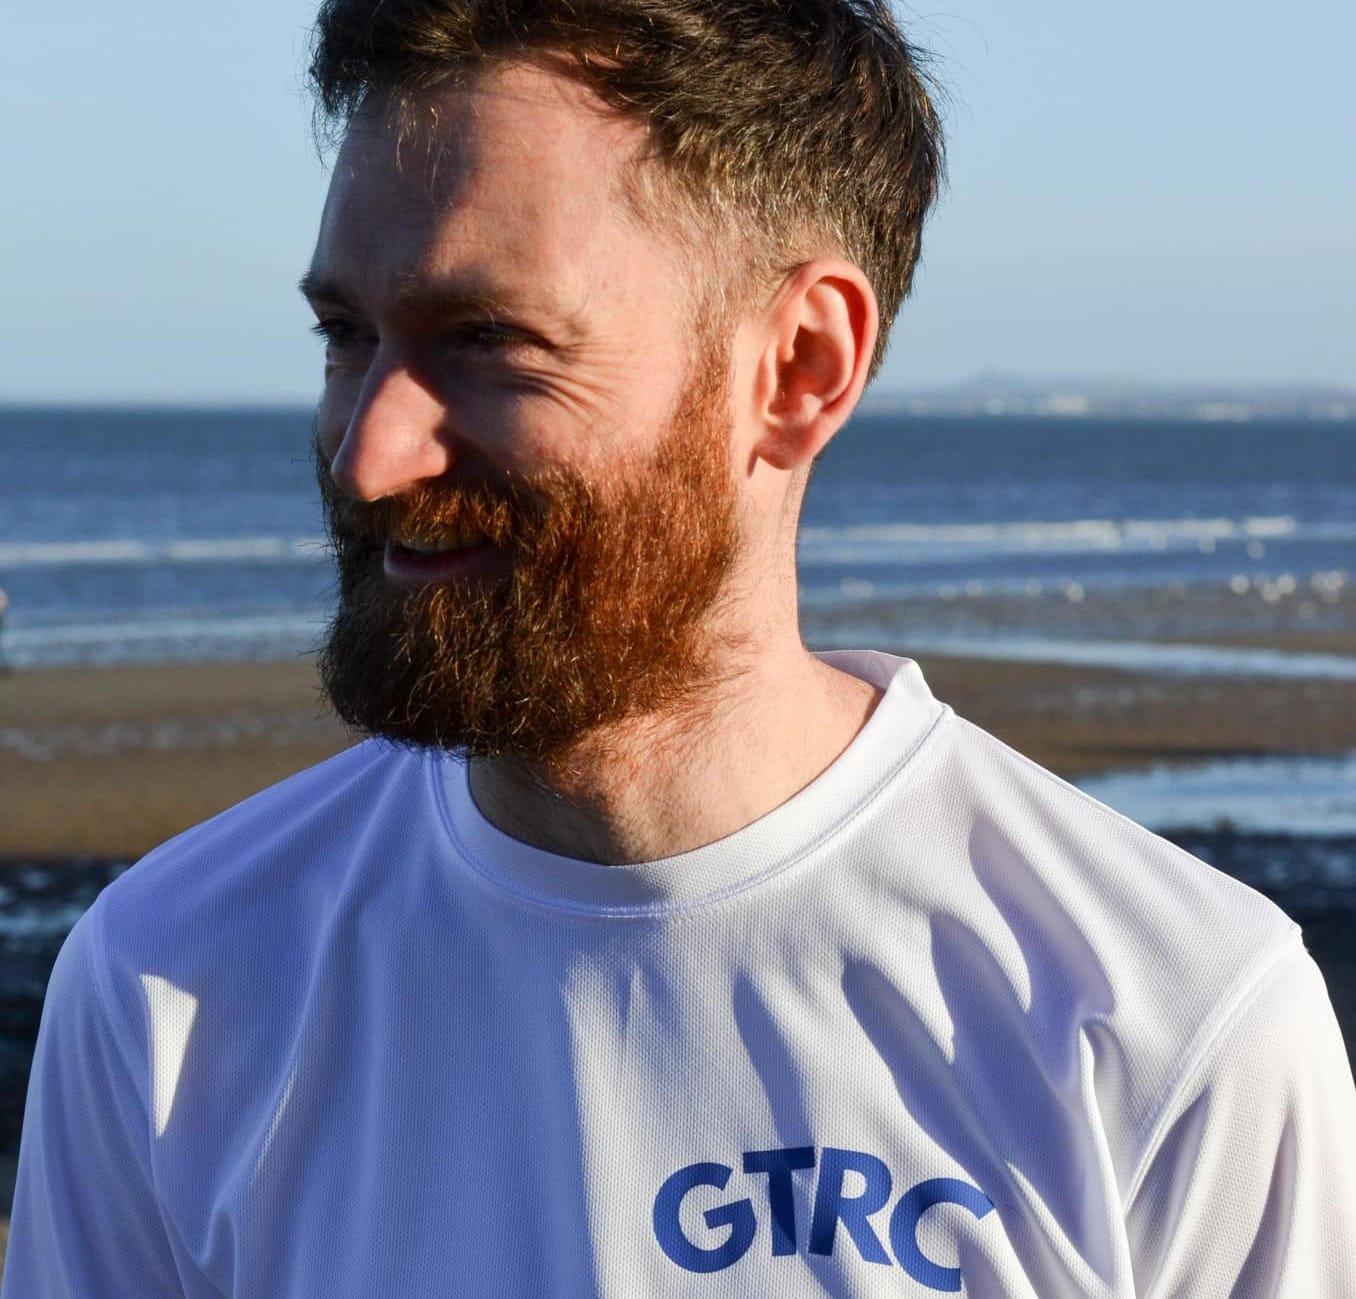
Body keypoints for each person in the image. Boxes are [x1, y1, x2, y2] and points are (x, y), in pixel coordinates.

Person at [5, 1, 1354, 1294]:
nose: (371, 453)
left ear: (800, 367)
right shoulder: (174, 988)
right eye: (346, 336)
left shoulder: (1164, 1024)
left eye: (490, 342)